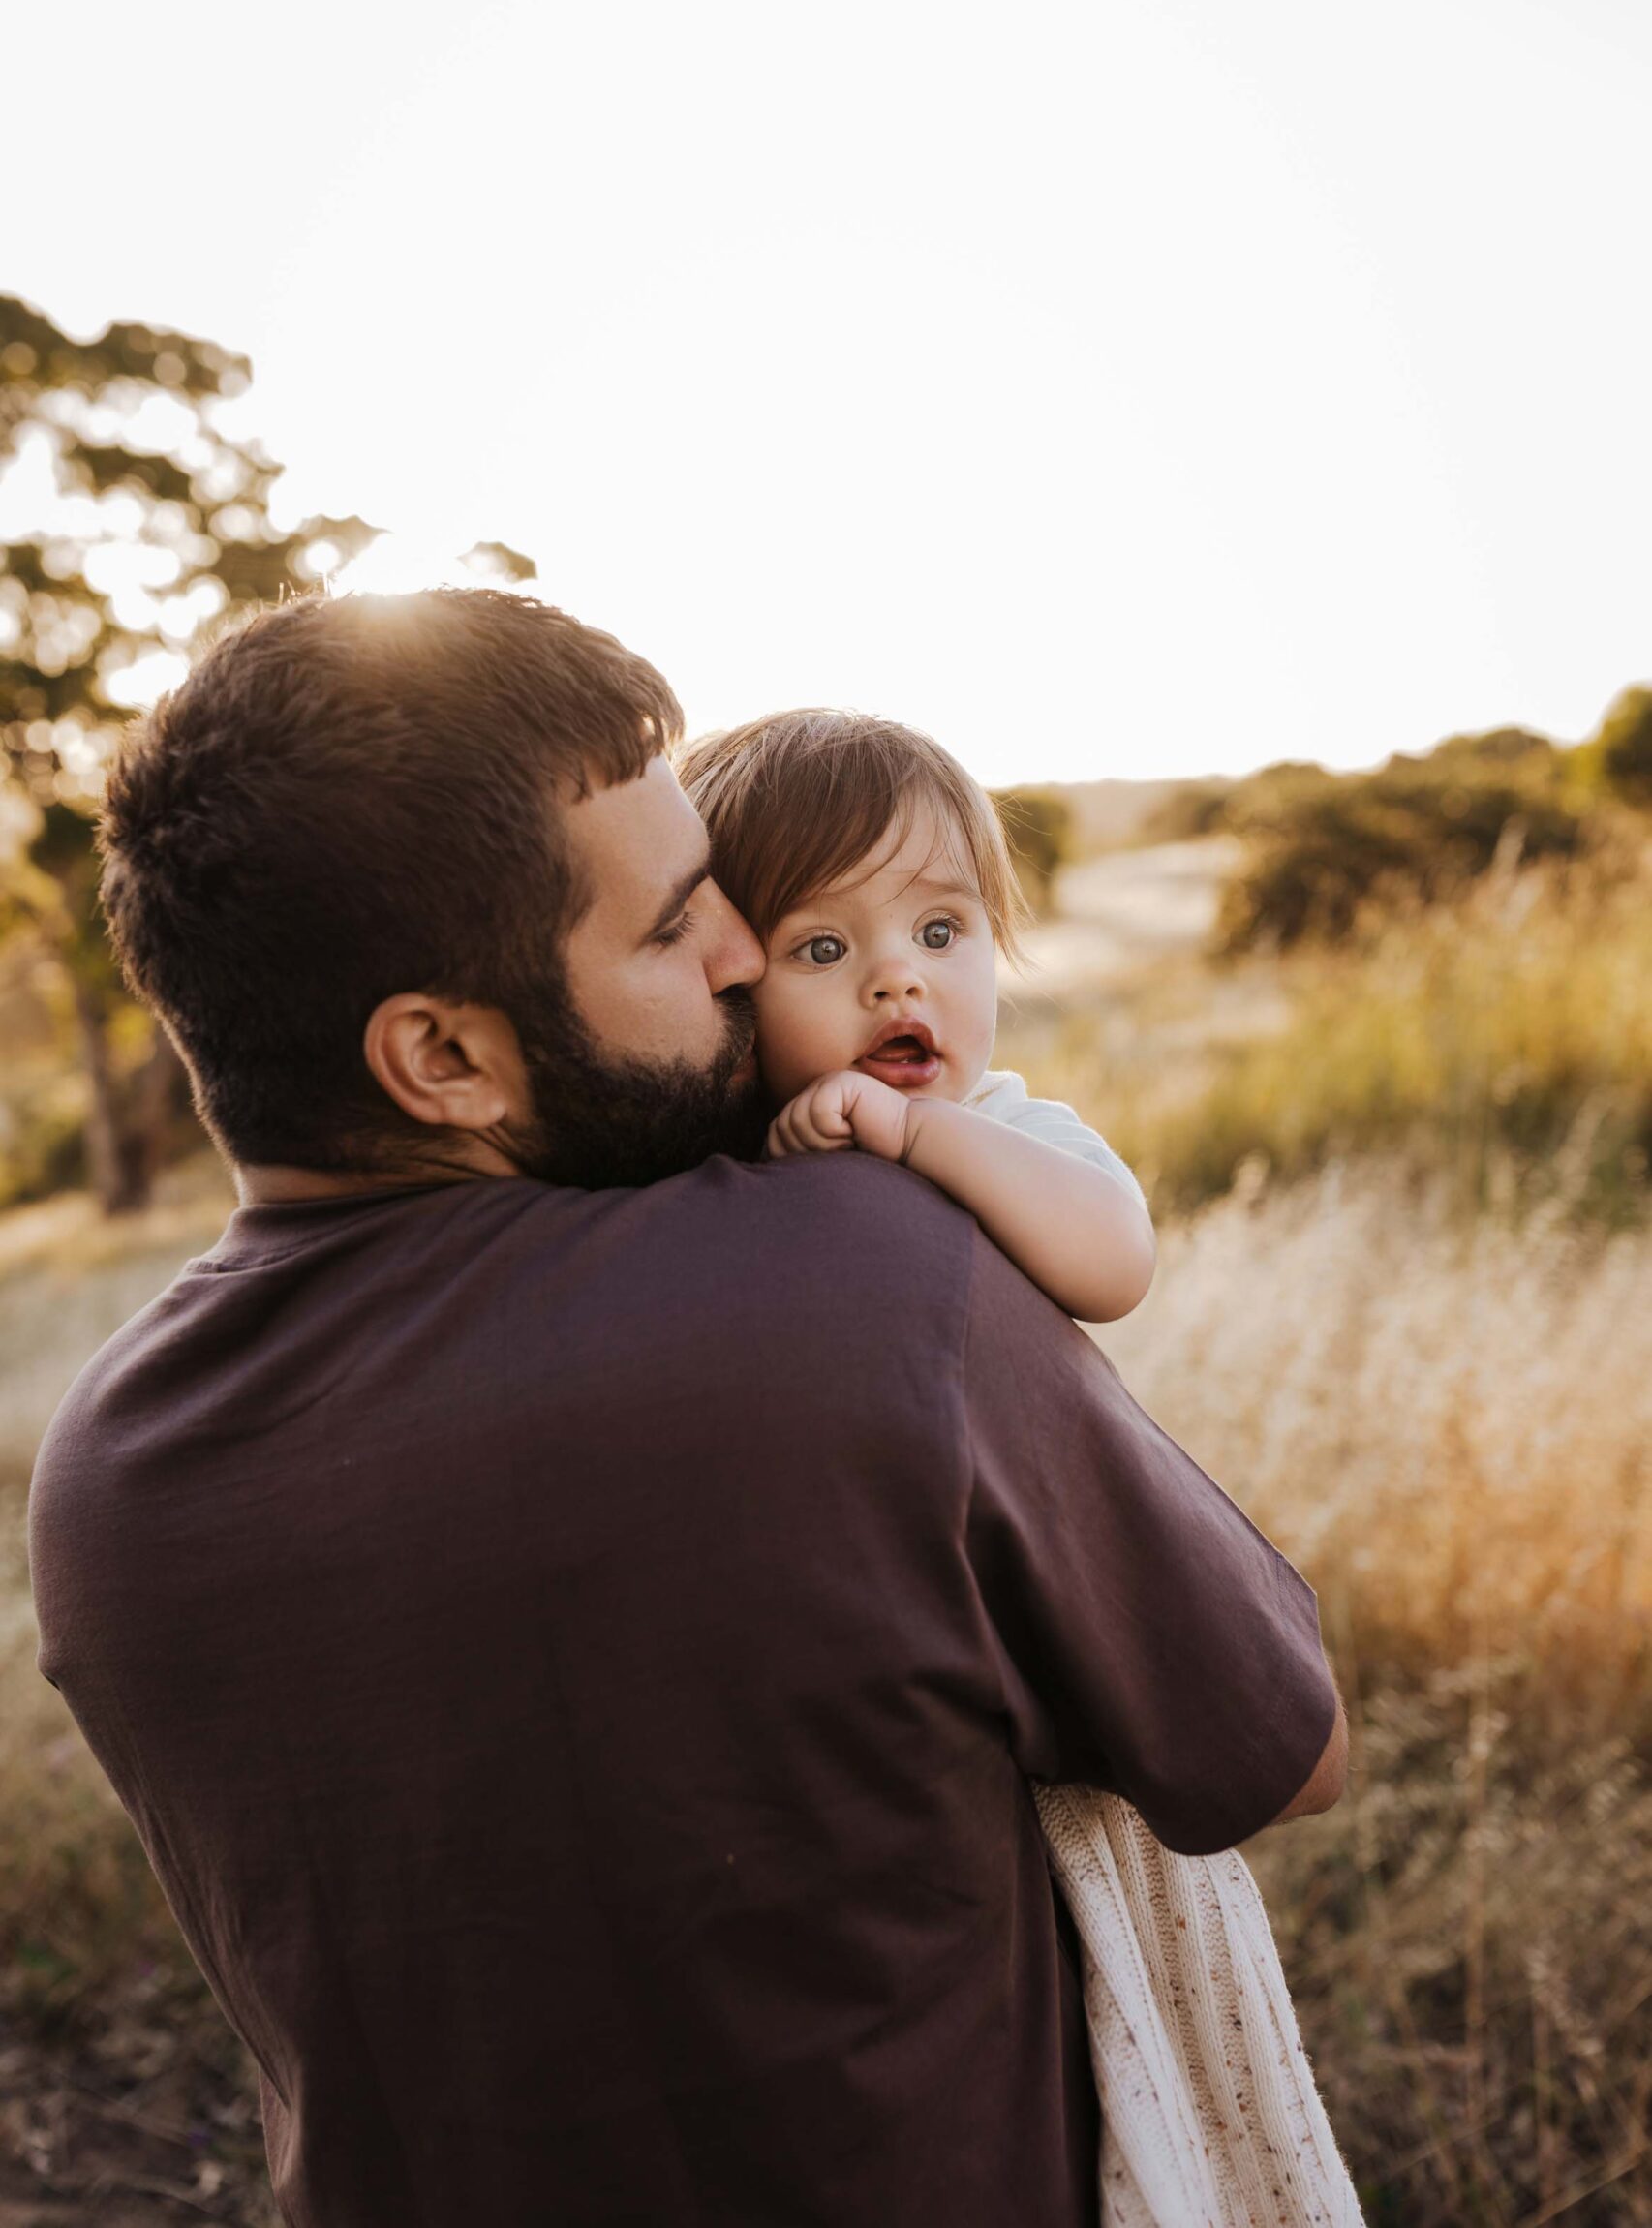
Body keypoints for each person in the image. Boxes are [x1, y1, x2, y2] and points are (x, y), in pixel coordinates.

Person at [29, 587, 1346, 2228]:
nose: (737, 955)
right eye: (670, 929)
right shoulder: (864, 1278)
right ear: (441, 1057)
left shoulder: (99, 1482)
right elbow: (1281, 1754)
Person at [678, 707, 1361, 2224]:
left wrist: (918, 1148)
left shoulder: (999, 1123)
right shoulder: (729, 1165)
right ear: (731, 986)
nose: (899, 978)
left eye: (942, 927)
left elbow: (1113, 1260)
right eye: (822, 950)